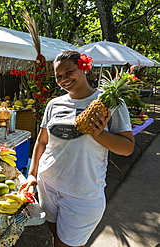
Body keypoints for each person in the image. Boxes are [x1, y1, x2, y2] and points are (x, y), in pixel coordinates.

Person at [19, 50, 135, 247]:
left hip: (82, 193)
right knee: (56, 238)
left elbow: (127, 148)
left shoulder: (109, 102)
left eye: (68, 72)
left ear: (84, 68)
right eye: (58, 76)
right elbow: (42, 142)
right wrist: (32, 174)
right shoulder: (54, 104)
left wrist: (99, 133)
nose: (63, 79)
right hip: (48, 185)